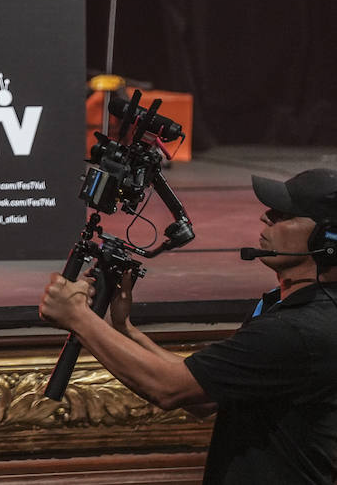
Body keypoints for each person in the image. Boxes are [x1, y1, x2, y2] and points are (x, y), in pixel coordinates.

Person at [39, 168, 337, 484]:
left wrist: (78, 318)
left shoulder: (296, 331)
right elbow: (204, 396)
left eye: (283, 214)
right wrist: (123, 329)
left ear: (327, 240)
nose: (266, 218)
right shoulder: (295, 309)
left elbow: (170, 388)